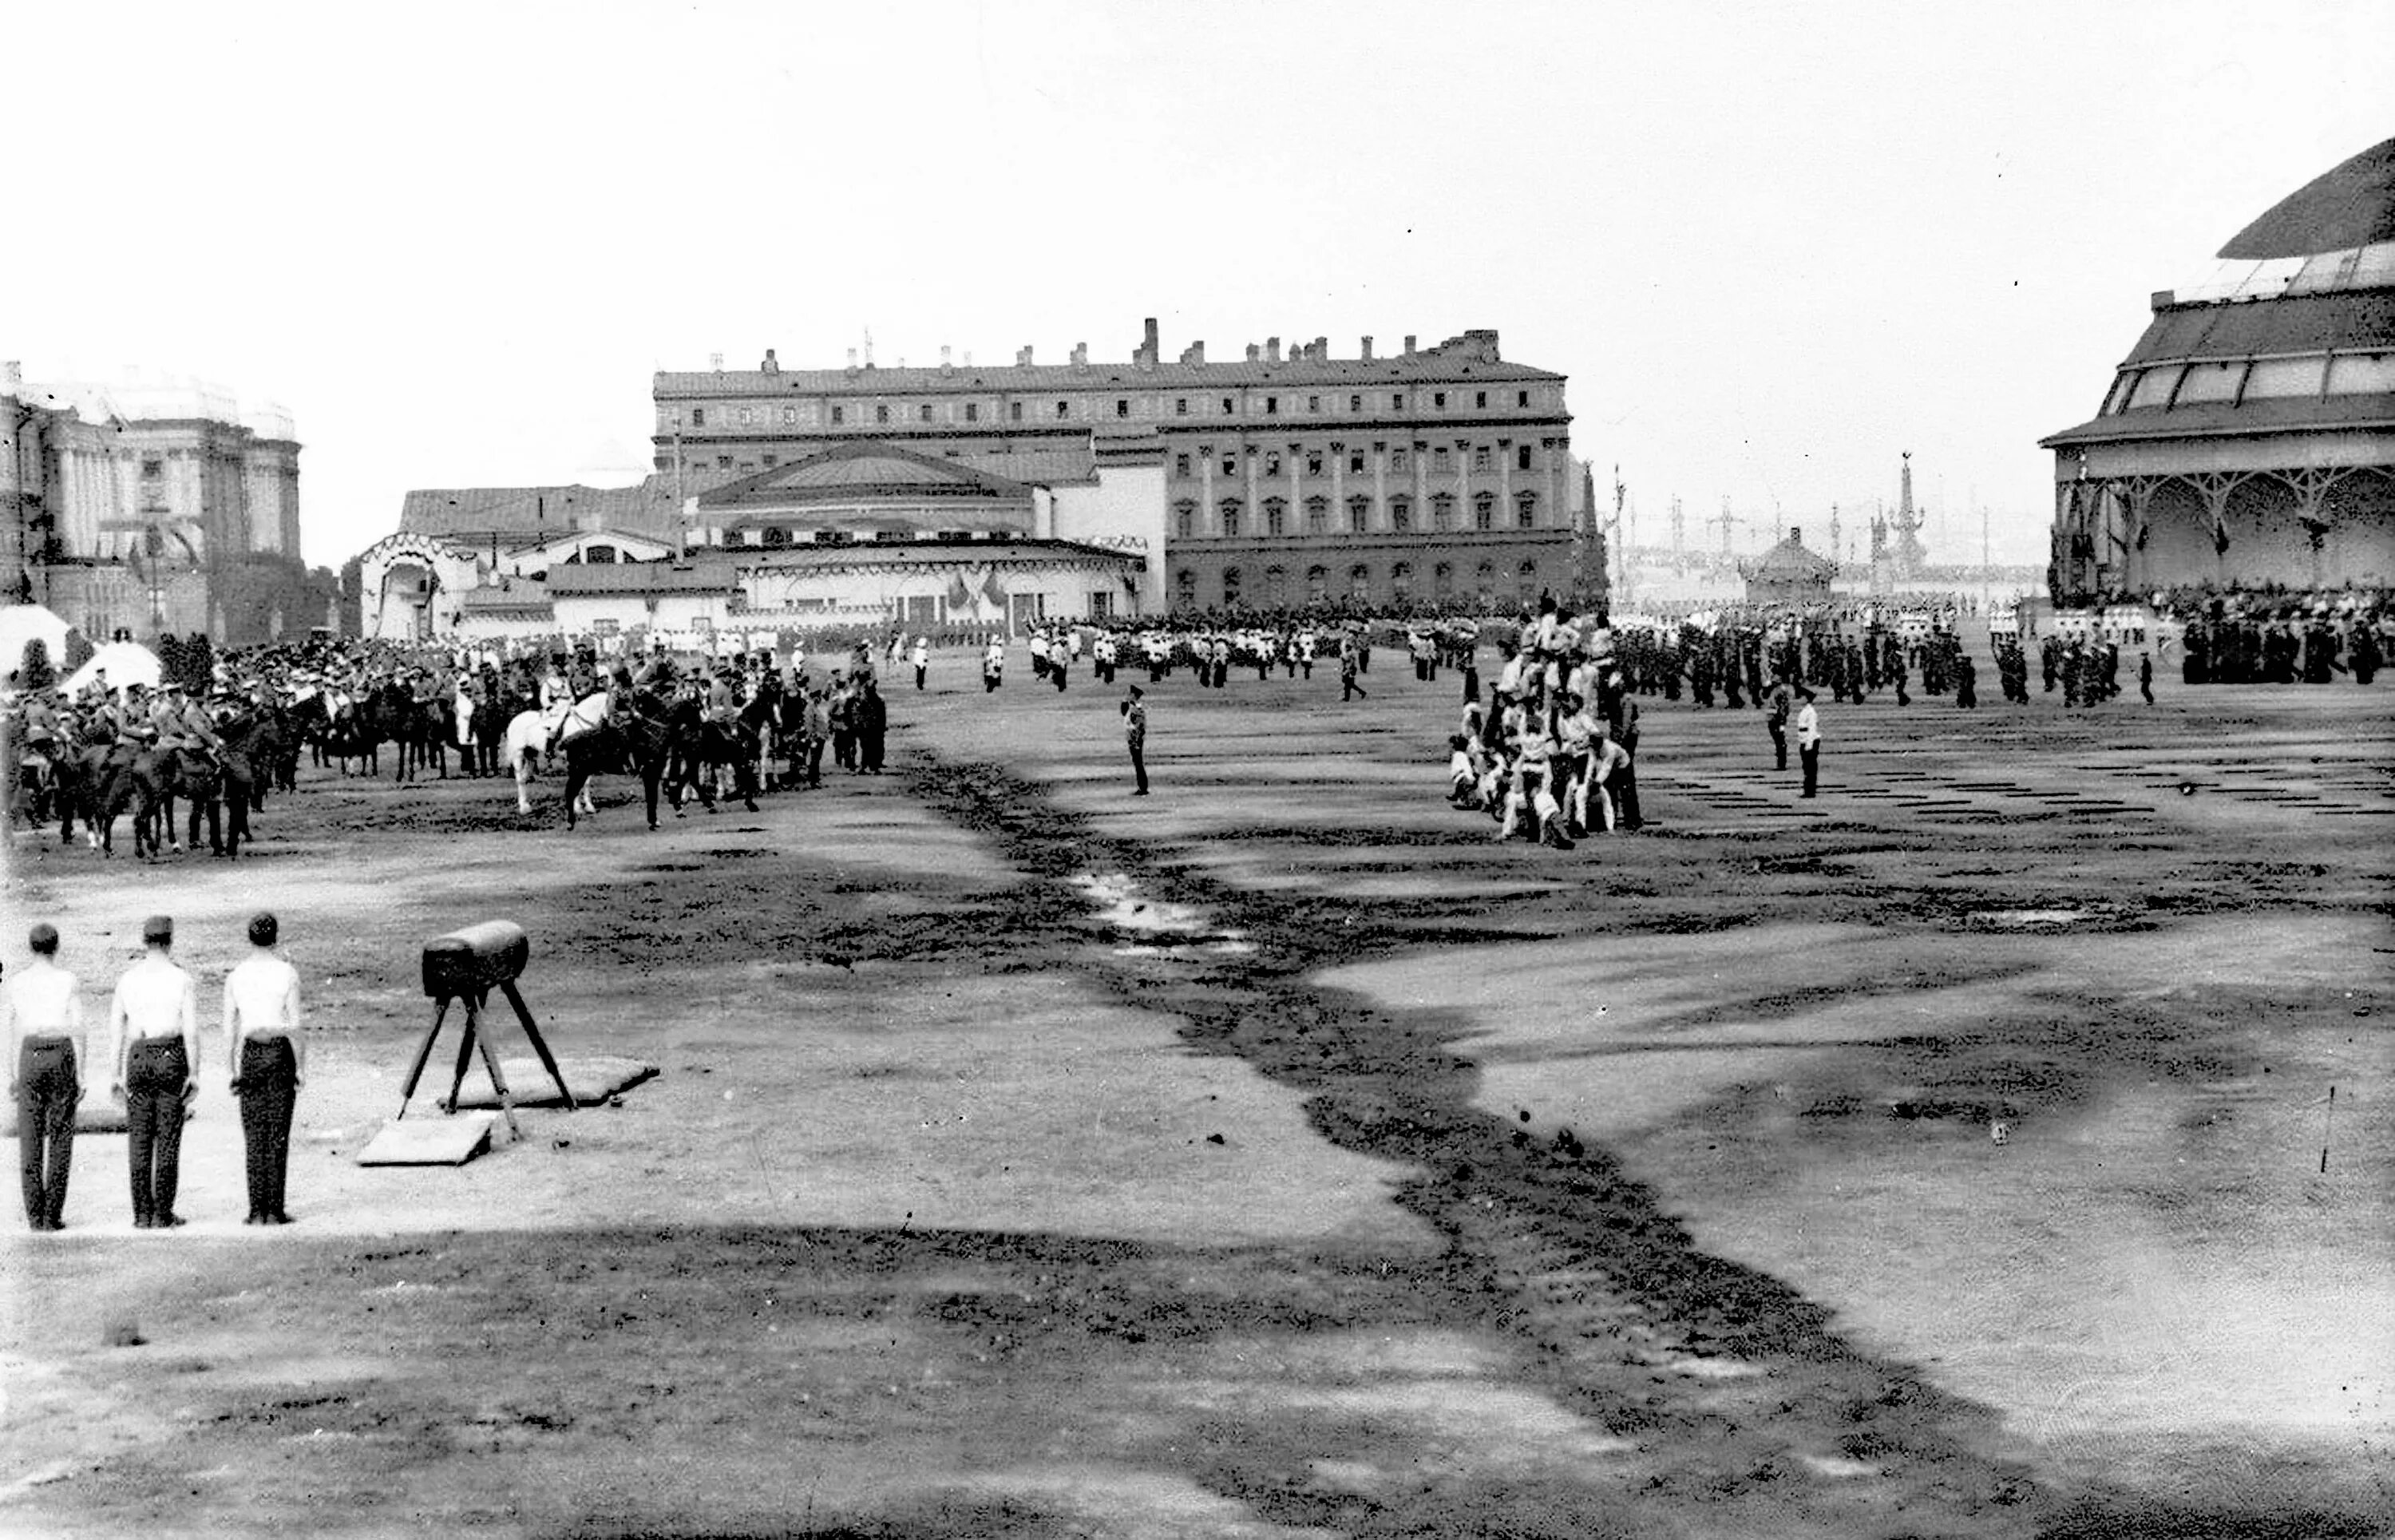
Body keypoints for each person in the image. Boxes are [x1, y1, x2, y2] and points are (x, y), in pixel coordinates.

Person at [109, 915, 200, 1229]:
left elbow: (116, 1031)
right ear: (170, 941)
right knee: (168, 1137)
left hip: (138, 1053)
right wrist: (195, 1071)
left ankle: (142, 1213)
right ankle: (163, 1212)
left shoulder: (128, 980)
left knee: (139, 1138)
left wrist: (115, 1074)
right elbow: (190, 1031)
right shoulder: (181, 979)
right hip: (170, 1053)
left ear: (144, 942)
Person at [224, 912, 303, 1225]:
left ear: (249, 937)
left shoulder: (237, 976)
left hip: (251, 1052)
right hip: (280, 1050)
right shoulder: (287, 973)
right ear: (275, 938)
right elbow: (296, 1025)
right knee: (278, 1132)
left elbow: (230, 1028)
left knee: (254, 1132)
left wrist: (231, 1068)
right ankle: (275, 1209)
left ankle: (256, 1209)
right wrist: (302, 1066)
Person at [6, 923, 86, 1231]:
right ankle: (53, 1213)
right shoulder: (67, 980)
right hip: (60, 1051)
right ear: (56, 947)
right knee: (61, 1135)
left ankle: (34, 1215)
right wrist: (82, 1070)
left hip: (30, 1052)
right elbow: (77, 1027)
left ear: (31, 947)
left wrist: (11, 1071)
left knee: (30, 1137)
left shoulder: (18, 982)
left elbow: (10, 1029)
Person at [1795, 688, 1821, 799]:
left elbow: (1812, 729)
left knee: (1810, 768)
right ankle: (1808, 789)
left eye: (1802, 697)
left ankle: (1810, 791)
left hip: (1809, 741)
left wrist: (1809, 745)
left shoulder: (1811, 712)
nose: (1800, 699)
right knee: (1807, 767)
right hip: (1804, 740)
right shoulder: (1805, 710)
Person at [1122, 684, 1149, 795]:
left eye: (1130, 694)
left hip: (1136, 740)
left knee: (1139, 764)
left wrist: (1136, 741)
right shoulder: (1132, 708)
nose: (1128, 696)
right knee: (1137, 763)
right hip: (1132, 739)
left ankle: (1143, 787)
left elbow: (1139, 726)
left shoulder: (1137, 710)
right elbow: (1123, 712)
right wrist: (1124, 701)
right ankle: (1141, 786)